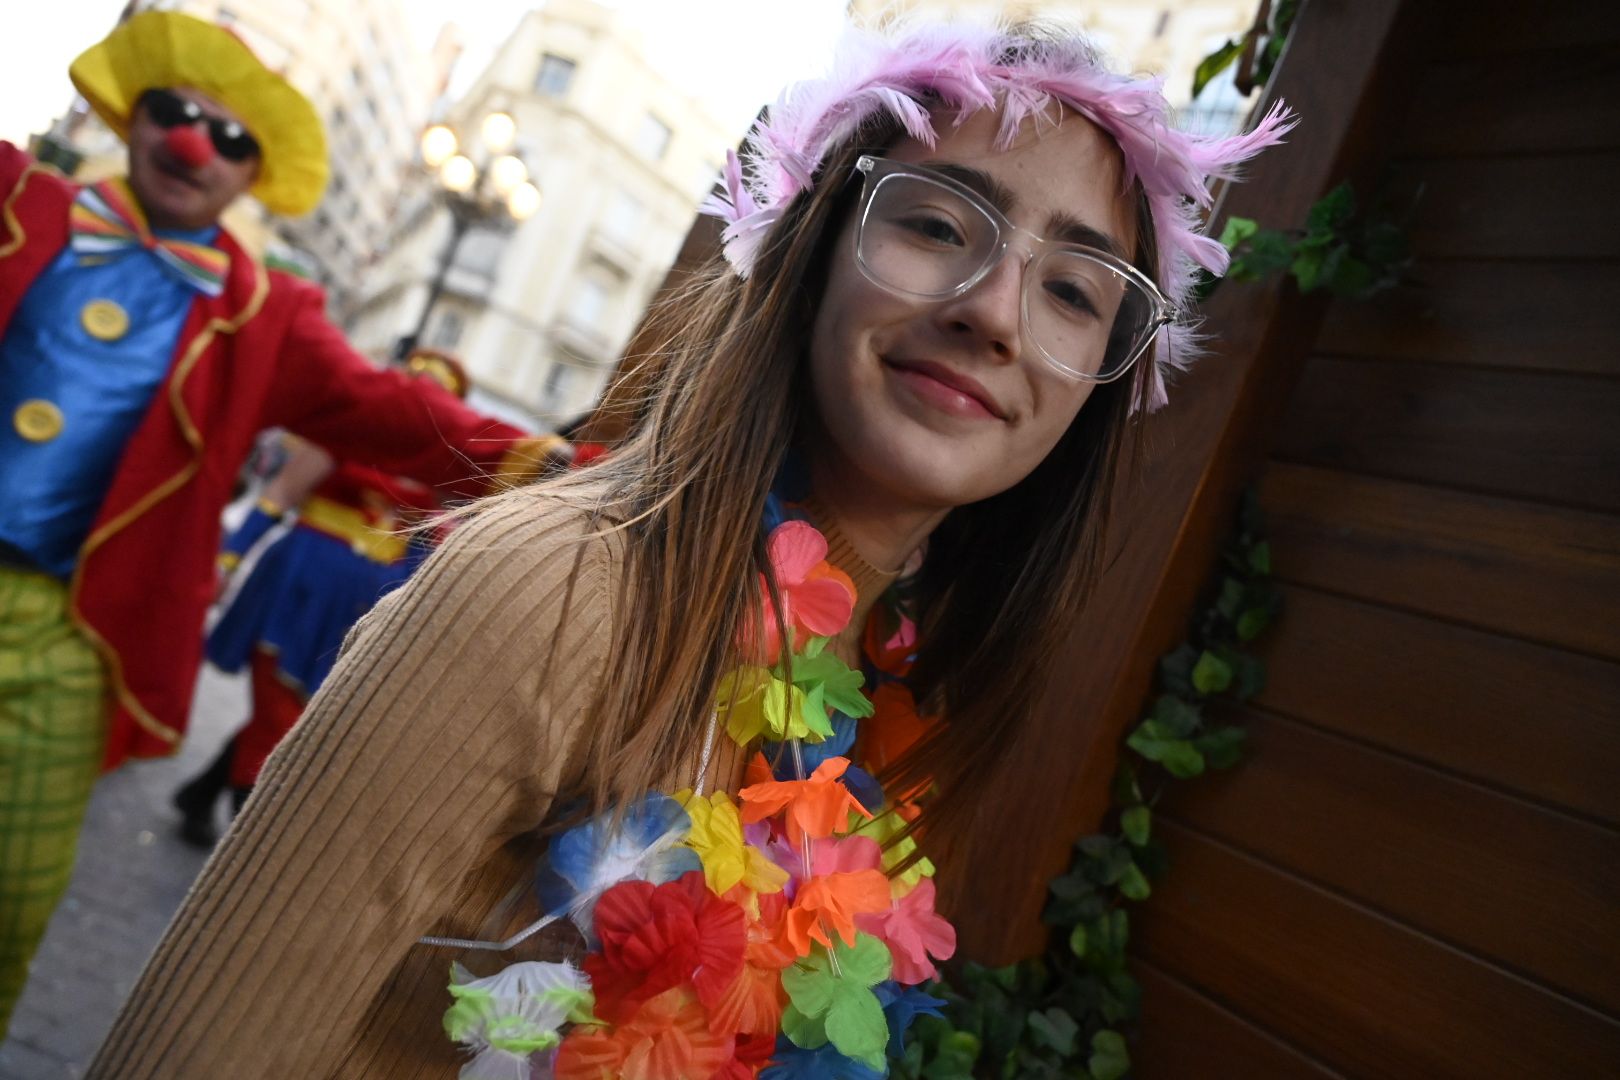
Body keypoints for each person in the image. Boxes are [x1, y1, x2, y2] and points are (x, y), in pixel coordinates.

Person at [89, 17, 1293, 1078]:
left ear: (1098, 390)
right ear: (809, 251)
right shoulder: (560, 587)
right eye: (937, 223)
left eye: (1076, 291)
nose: (993, 309)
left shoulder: (888, 705)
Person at [0, 12, 547, 1031]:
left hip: (76, 641)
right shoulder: (18, 199)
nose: (196, 143)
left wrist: (562, 467)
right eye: (177, 112)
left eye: (232, 136)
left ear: (254, 174)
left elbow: (397, 412)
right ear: (134, 114)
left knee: (10, 904)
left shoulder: (265, 314)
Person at [172, 352, 485, 847]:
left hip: (358, 614)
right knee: (278, 717)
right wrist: (227, 562)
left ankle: (201, 793)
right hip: (295, 590)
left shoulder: (436, 465)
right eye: (414, 387)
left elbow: (428, 547)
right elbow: (279, 494)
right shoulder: (348, 429)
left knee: (292, 716)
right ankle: (248, 841)